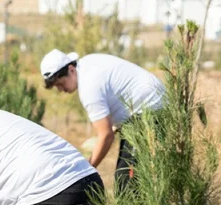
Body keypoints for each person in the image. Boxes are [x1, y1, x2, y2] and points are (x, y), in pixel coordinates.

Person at [41, 49, 165, 192]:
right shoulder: (88, 63)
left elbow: (106, 135)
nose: (60, 89)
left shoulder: (89, 88)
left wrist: (86, 169)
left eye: (60, 83)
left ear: (71, 69)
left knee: (127, 186)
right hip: (150, 108)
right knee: (132, 179)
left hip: (148, 112)